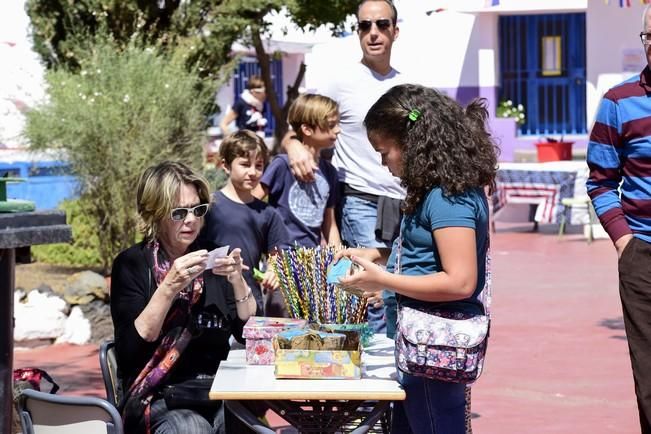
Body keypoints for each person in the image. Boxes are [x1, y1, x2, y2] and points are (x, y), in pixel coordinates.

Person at [337, 84, 497, 433]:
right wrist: (380, 256)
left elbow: (460, 280)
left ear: (412, 143)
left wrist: (382, 279)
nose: (383, 163)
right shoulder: (436, 191)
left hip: (432, 349)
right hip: (420, 347)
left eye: (384, 152)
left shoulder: (447, 197)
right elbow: (429, 252)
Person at [284, 0, 407, 333]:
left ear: (395, 30)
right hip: (360, 201)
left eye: (382, 24)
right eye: (364, 26)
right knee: (370, 290)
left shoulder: (410, 85)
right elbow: (299, 122)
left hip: (405, 202)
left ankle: (398, 366)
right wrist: (294, 145)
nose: (373, 33)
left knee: (400, 285)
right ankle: (374, 375)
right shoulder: (339, 82)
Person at [110, 161, 257, 434]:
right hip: (157, 394)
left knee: (247, 423)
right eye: (179, 212)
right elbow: (130, 351)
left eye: (197, 210)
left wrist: (237, 281)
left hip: (214, 388)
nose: (191, 219)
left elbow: (246, 332)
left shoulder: (213, 257)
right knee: (192, 428)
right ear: (155, 213)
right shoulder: (132, 264)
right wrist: (169, 287)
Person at [587, 5, 651, 431]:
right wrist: (625, 242)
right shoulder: (617, 102)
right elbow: (600, 180)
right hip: (643, 255)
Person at [200, 130, 289, 317]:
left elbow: (276, 256)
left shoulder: (267, 213)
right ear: (225, 165)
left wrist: (273, 272)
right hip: (209, 304)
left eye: (258, 165)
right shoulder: (208, 206)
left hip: (249, 304)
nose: (253, 172)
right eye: (245, 164)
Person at [260, 93, 342, 248]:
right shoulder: (282, 164)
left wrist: (339, 258)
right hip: (281, 255)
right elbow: (252, 202)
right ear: (307, 129)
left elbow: (329, 224)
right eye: (331, 125)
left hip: (310, 257)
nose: (338, 130)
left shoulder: (330, 171)